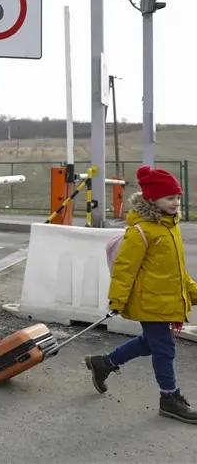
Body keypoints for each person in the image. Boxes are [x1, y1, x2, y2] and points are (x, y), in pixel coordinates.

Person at [85, 165, 197, 424]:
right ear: (151, 199)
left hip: (164, 300)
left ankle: (104, 362)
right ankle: (169, 398)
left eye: (177, 197)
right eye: (169, 198)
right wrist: (117, 301)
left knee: (150, 343)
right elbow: (124, 270)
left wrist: (192, 291)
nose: (175, 202)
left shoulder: (171, 228)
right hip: (149, 302)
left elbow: (176, 271)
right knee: (165, 348)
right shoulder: (141, 232)